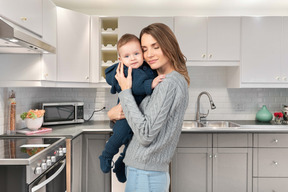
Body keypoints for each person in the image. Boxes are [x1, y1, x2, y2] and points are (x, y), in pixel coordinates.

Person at [108, 23, 190, 192]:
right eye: (144, 49)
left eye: (156, 47)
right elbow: (137, 119)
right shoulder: (161, 80)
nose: (149, 54)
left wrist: (125, 91)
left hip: (145, 173)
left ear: (168, 45)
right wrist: (112, 113)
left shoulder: (169, 84)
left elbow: (145, 134)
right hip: (145, 171)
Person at [99, 33, 164, 183]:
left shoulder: (146, 68)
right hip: (125, 114)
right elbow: (134, 86)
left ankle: (121, 163)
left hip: (139, 114)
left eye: (136, 53)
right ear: (120, 60)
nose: (133, 58)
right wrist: (151, 84)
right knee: (120, 135)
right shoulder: (126, 70)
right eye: (127, 56)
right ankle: (107, 155)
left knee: (135, 142)